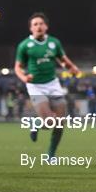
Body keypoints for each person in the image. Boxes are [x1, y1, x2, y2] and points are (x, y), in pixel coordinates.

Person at [15, 12, 80, 158]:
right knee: (50, 122)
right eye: (35, 24)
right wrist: (24, 77)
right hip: (35, 86)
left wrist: (71, 68)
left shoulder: (54, 42)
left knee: (60, 122)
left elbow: (62, 59)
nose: (38, 26)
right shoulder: (25, 45)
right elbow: (17, 67)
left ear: (46, 27)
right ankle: (36, 123)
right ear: (30, 28)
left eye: (41, 24)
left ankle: (51, 154)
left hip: (53, 84)